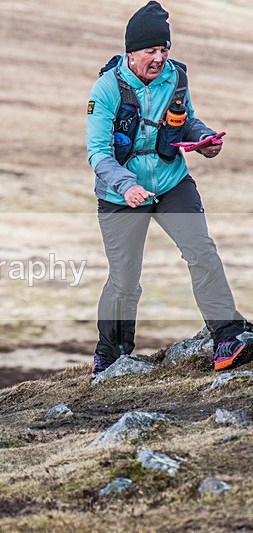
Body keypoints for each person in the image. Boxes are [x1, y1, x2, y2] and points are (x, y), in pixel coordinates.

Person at [86, 1, 251, 376]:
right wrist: (127, 186)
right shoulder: (106, 89)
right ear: (131, 53)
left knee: (202, 252)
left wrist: (204, 139)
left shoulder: (175, 77)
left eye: (164, 49)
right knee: (125, 281)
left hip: (172, 181)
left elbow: (185, 119)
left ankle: (227, 337)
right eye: (151, 51)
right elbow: (98, 153)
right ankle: (110, 354)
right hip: (120, 195)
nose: (160, 58)